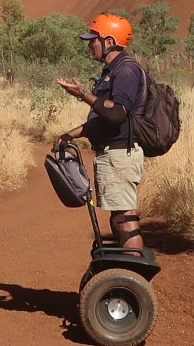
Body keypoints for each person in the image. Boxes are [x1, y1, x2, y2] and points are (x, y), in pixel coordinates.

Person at [56, 13, 147, 250]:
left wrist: (82, 94)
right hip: (113, 155)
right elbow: (105, 119)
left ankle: (132, 278)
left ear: (109, 41)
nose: (89, 45)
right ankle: (124, 277)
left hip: (120, 156)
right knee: (118, 218)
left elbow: (117, 113)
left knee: (126, 220)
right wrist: (70, 135)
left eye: (93, 40)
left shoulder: (126, 71)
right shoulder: (112, 71)